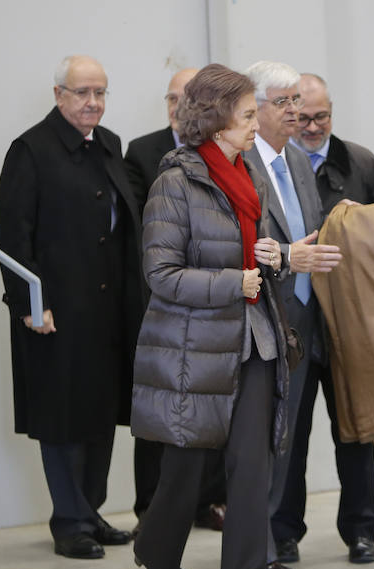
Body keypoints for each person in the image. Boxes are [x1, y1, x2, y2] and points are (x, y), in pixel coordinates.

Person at [129, 63, 291, 569]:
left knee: (251, 465)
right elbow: (161, 274)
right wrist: (233, 282)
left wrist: (271, 255)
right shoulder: (174, 182)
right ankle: (155, 547)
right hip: (192, 349)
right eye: (249, 115)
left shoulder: (250, 174)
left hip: (252, 340)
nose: (257, 124)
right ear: (218, 119)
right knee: (186, 468)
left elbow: (256, 240)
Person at [0, 54, 144, 560]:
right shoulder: (30, 151)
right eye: (82, 92)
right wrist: (30, 304)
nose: (93, 102)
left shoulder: (109, 146)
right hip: (54, 313)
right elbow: (14, 236)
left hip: (106, 310)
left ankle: (91, 510)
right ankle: (70, 521)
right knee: (62, 418)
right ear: (58, 94)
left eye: (100, 92)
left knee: (101, 414)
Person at [270, 72, 374, 564]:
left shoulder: (359, 161)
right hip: (295, 317)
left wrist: (368, 224)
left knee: (358, 425)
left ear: (333, 112)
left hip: (350, 319)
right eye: (302, 116)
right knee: (289, 430)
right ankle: (283, 532)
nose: (311, 126)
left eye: (321, 116)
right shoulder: (275, 164)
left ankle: (361, 530)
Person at [242, 61, 343, 569]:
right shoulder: (239, 164)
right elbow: (241, 246)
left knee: (287, 441)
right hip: (259, 320)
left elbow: (315, 230)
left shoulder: (299, 161)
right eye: (283, 103)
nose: (295, 112)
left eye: (296, 102)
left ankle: (273, 544)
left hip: (304, 319)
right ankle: (253, 553)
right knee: (259, 442)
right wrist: (286, 254)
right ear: (254, 108)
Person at [123, 67, 228, 534]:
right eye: (173, 97)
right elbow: (147, 237)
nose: (178, 106)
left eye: (188, 97)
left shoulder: (228, 158)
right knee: (160, 413)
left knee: (209, 412)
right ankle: (151, 511)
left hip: (217, 305)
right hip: (165, 301)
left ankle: (207, 502)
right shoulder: (146, 153)